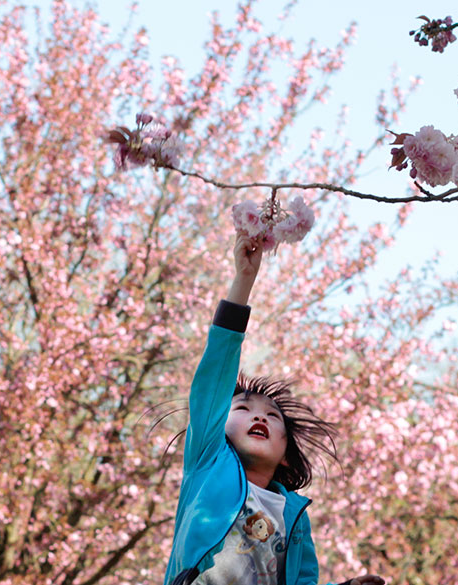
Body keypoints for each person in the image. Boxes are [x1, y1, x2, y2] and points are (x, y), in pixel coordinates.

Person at [162, 234, 385, 585]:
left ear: (285, 455)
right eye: (244, 408)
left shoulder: (294, 515)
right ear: (218, 424)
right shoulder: (207, 462)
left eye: (271, 416)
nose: (259, 416)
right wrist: (244, 280)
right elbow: (216, 371)